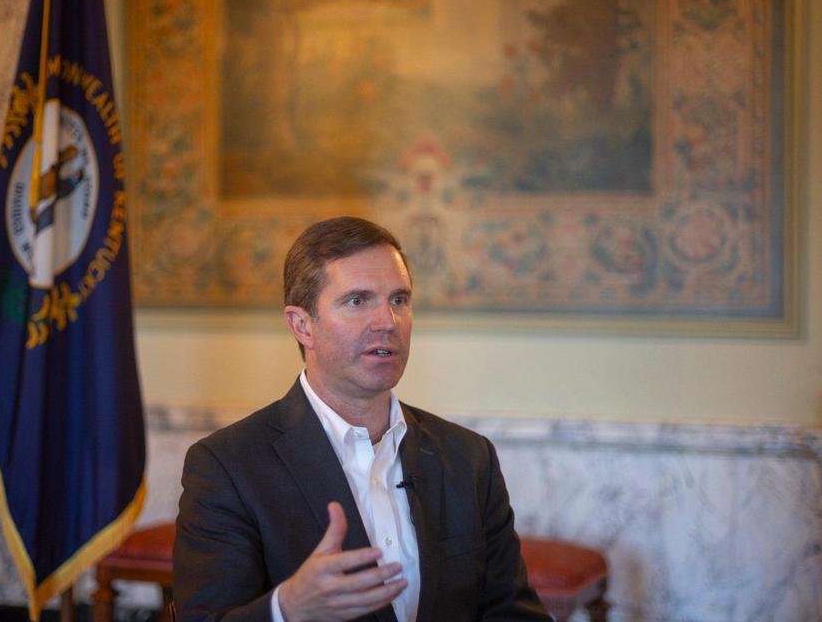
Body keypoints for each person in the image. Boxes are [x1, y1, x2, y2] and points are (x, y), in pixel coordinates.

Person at [173, 216, 551, 622]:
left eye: (399, 300)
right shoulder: (227, 466)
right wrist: (288, 609)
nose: (387, 322)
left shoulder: (468, 457)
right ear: (302, 326)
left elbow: (512, 613)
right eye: (357, 301)